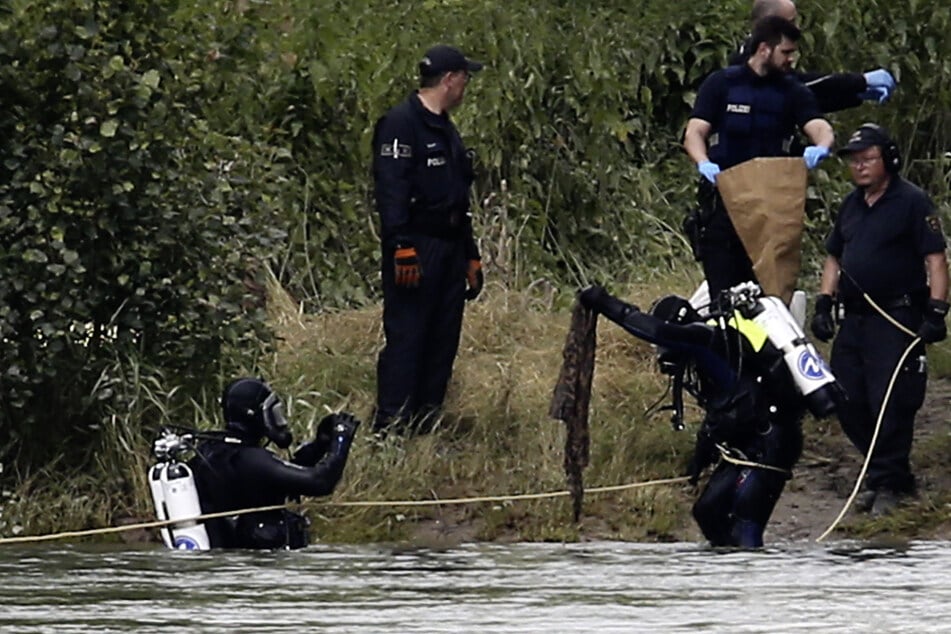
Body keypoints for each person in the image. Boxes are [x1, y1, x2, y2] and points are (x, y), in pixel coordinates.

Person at [579, 282, 833, 548]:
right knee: (708, 512)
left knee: (745, 519)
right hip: (750, 443)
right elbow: (725, 409)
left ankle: (754, 573)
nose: (662, 355)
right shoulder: (711, 356)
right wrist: (701, 456)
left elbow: (656, 331)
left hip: (772, 443)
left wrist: (605, 302)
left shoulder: (704, 340)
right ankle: (726, 576)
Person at [810, 123, 949, 517]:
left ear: (887, 159)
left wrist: (937, 311)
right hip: (854, 317)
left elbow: (936, 259)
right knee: (844, 395)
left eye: (867, 158)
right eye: (854, 161)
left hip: (897, 314)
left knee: (892, 398)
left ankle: (889, 481)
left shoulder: (913, 202)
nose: (860, 167)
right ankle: (887, 471)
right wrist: (823, 302)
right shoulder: (851, 205)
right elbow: (834, 256)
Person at [371, 44, 484, 436]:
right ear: (450, 79)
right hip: (416, 246)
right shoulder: (401, 124)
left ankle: (425, 424)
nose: (466, 86)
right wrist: (400, 244)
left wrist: (470, 253)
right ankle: (391, 428)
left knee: (441, 339)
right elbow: (391, 189)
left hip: (450, 246)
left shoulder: (445, 128)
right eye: (465, 78)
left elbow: (458, 195)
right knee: (408, 337)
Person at [683, 15, 835, 304]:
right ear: (765, 48)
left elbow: (820, 127)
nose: (791, 59)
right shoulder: (722, 84)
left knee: (768, 297)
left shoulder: (792, 91)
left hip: (770, 209)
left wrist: (822, 146)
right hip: (726, 201)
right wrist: (703, 163)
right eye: (786, 52)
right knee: (725, 297)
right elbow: (694, 132)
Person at [188, 378, 360, 549]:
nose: (280, 421)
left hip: (233, 561)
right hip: (259, 566)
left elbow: (280, 479)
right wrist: (341, 440)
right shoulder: (251, 459)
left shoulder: (214, 453)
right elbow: (319, 482)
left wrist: (319, 445)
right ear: (255, 414)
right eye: (274, 412)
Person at [732, 0, 896, 113]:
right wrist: (860, 81)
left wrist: (854, 96)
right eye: (791, 21)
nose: (796, 27)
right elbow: (799, 85)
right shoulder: (746, 61)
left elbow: (804, 99)